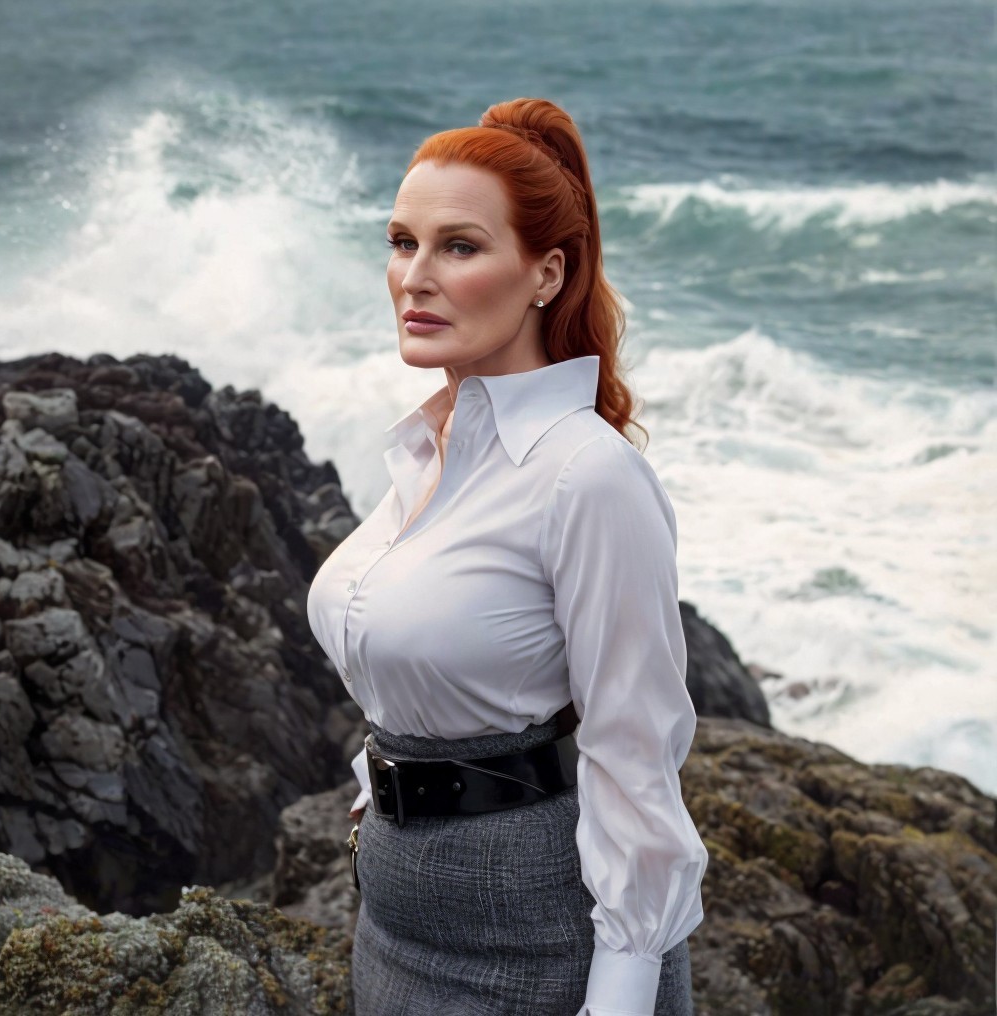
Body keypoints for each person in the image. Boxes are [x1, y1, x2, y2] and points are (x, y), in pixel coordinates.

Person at [306, 97, 708, 1016]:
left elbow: (635, 751)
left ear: (545, 274)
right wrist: (380, 787)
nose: (414, 277)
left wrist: (620, 997)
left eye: (459, 247)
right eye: (402, 242)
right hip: (394, 922)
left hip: (539, 938)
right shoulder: (425, 450)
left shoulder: (586, 476)